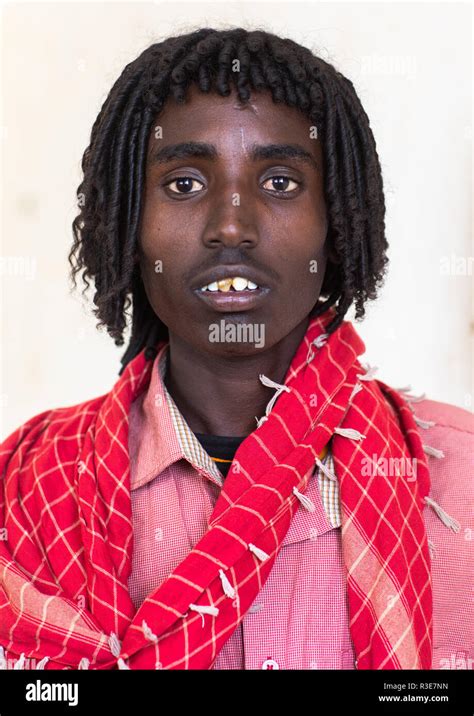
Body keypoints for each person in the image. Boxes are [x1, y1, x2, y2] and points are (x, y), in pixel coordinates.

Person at [0, 27, 472, 671]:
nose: (231, 224)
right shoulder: (26, 486)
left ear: (335, 224)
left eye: (280, 182)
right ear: (127, 228)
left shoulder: (461, 473)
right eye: (184, 184)